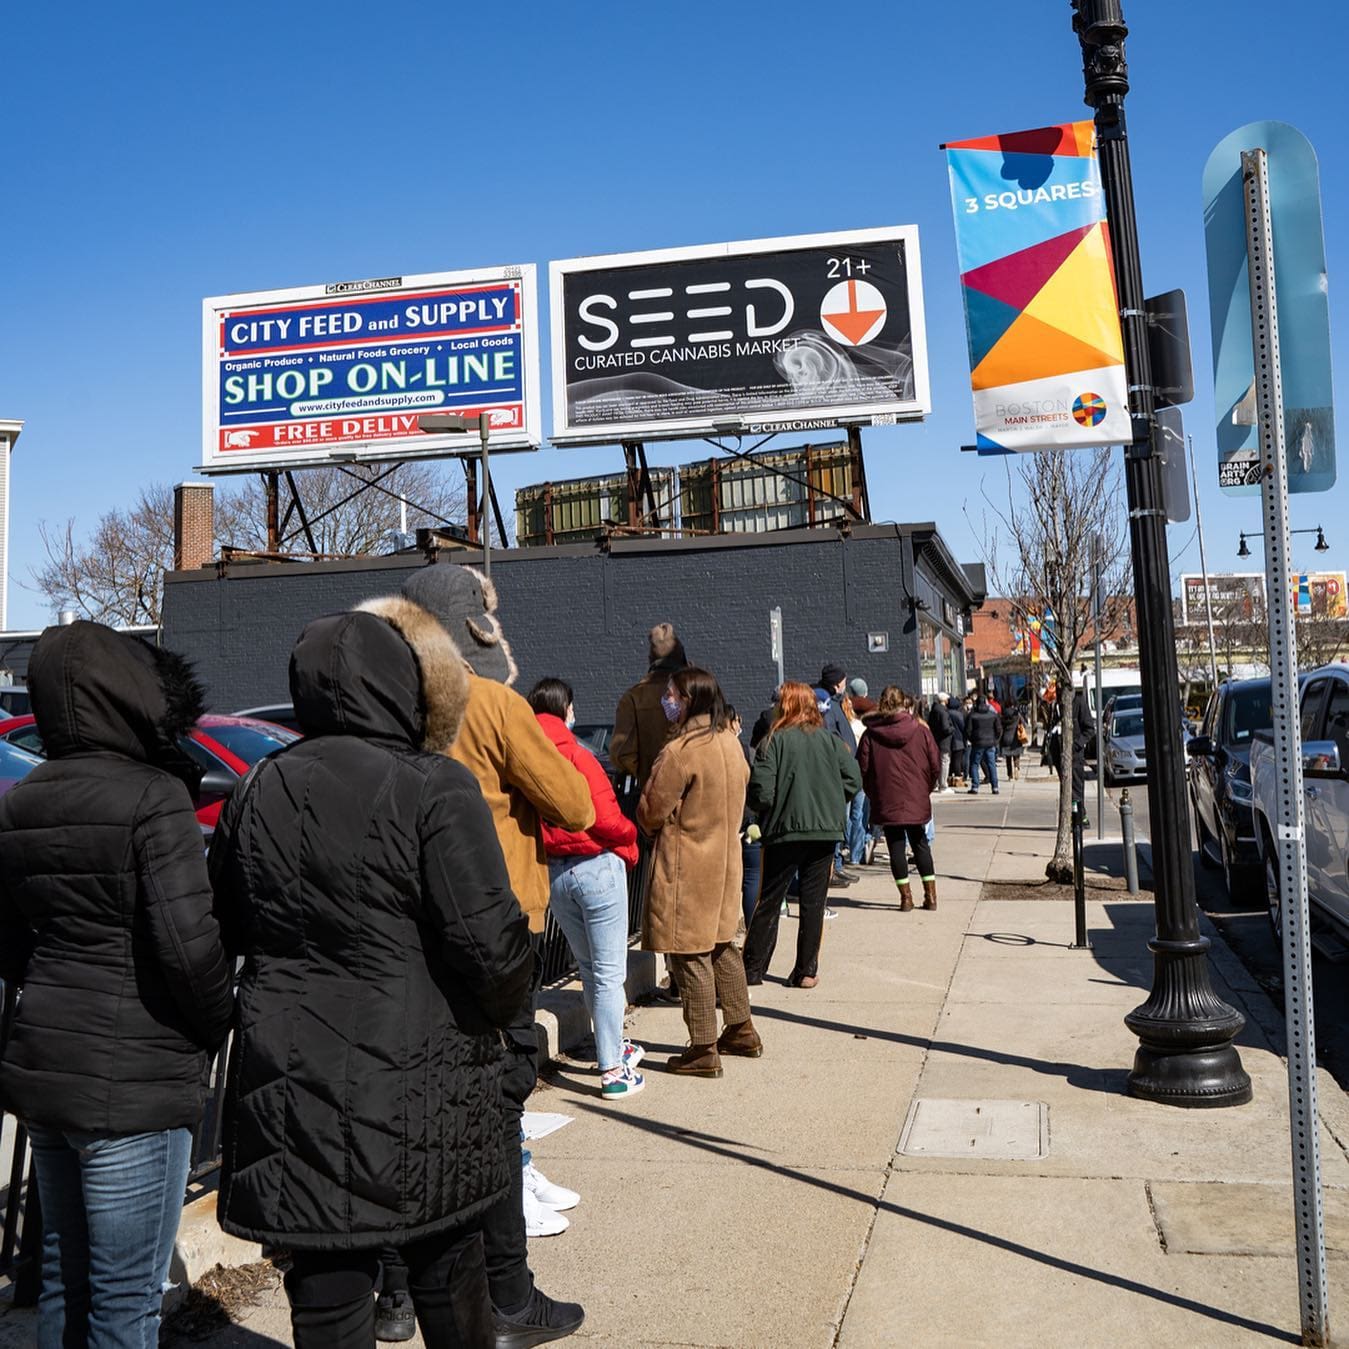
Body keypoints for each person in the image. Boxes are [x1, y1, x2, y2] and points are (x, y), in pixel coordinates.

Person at [210, 606, 537, 1349]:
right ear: (401, 685)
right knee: (450, 1275)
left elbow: (223, 930)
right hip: (426, 1082)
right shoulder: (433, 786)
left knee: (326, 1295)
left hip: (297, 1086)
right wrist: (514, 1025)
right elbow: (491, 949)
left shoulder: (257, 787)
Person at [0, 622, 235, 1349]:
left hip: (48, 1068)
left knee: (67, 1281)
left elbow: (12, 944)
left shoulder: (22, 798)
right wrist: (214, 1026)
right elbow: (190, 951)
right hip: (135, 1077)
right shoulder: (153, 797)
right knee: (126, 1304)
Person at [394, 568, 593, 1346]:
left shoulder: (391, 704)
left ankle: (394, 1292)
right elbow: (573, 802)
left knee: (408, 1112)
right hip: (497, 923)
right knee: (495, 1109)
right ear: (473, 623)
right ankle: (508, 1291)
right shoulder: (493, 701)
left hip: (407, 932)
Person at [638, 667, 761, 1077]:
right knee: (723, 945)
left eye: (671, 693)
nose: (666, 699)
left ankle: (703, 1046)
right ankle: (741, 1028)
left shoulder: (682, 751)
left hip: (687, 866)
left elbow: (651, 810)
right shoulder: (729, 742)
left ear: (688, 699)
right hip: (725, 862)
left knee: (689, 953)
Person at [528, 677, 645, 1101]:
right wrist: (630, 840)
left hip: (555, 873)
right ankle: (613, 1068)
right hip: (596, 866)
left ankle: (610, 1048)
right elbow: (606, 816)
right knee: (611, 973)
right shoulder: (579, 756)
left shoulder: (523, 761)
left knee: (589, 969)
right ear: (567, 710)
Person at [742, 682, 862, 990]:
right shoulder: (831, 741)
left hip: (784, 830)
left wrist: (763, 811)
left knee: (770, 899)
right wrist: (832, 802)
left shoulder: (774, 742)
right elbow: (853, 779)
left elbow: (761, 792)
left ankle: (752, 969)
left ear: (785, 707)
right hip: (824, 831)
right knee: (813, 901)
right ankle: (806, 970)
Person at [858, 686, 941, 911]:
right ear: (904, 703)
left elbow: (863, 769)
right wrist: (926, 788)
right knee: (920, 843)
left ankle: (906, 898)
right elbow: (935, 764)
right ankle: (930, 896)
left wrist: (873, 793)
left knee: (896, 845)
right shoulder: (921, 730)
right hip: (916, 794)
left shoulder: (870, 734)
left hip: (887, 795)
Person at [612, 622, 688, 796]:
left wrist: (647, 771)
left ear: (650, 659)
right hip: (693, 795)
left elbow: (622, 753)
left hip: (653, 793)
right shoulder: (696, 689)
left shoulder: (633, 697)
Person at [814, 663, 857, 888]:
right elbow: (831, 734)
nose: (845, 685)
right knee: (838, 822)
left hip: (843, 769)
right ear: (836, 684)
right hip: (836, 773)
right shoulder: (827, 706)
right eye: (843, 681)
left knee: (843, 822)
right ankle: (833, 868)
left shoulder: (836, 704)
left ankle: (837, 866)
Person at [728, 707, 764, 930]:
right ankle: (752, 930)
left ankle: (727, 929)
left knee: (730, 879)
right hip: (751, 822)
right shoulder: (748, 753)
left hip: (726, 824)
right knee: (752, 876)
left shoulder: (712, 752)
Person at [965, 694, 1003, 795]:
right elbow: (999, 729)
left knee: (974, 764)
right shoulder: (992, 715)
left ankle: (975, 786)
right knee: (991, 765)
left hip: (977, 742)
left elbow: (968, 731)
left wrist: (972, 740)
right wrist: (995, 740)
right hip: (990, 743)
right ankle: (995, 787)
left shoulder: (972, 715)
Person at [1072, 686, 1096, 826]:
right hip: (1063, 756)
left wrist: (1077, 745)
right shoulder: (1058, 702)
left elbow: (1089, 729)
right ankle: (1075, 815)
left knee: (1077, 788)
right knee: (1069, 789)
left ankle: (1080, 816)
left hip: (1076, 755)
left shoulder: (1079, 702)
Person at [927, 692, 954, 796]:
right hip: (944, 741)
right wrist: (952, 729)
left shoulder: (933, 710)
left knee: (937, 762)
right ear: (944, 700)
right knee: (944, 762)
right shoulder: (943, 712)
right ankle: (943, 785)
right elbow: (945, 728)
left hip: (936, 740)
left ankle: (936, 784)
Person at [1000, 703, 1027, 781]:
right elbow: (1024, 724)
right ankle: (1016, 767)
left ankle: (1010, 775)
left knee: (1008, 758)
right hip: (1016, 737)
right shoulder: (1017, 715)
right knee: (1016, 755)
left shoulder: (1003, 716)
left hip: (1006, 738)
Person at [948, 693, 968, 788]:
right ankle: (958, 777)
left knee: (950, 759)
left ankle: (950, 777)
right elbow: (963, 727)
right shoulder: (958, 714)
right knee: (957, 759)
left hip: (949, 740)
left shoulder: (946, 713)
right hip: (958, 740)